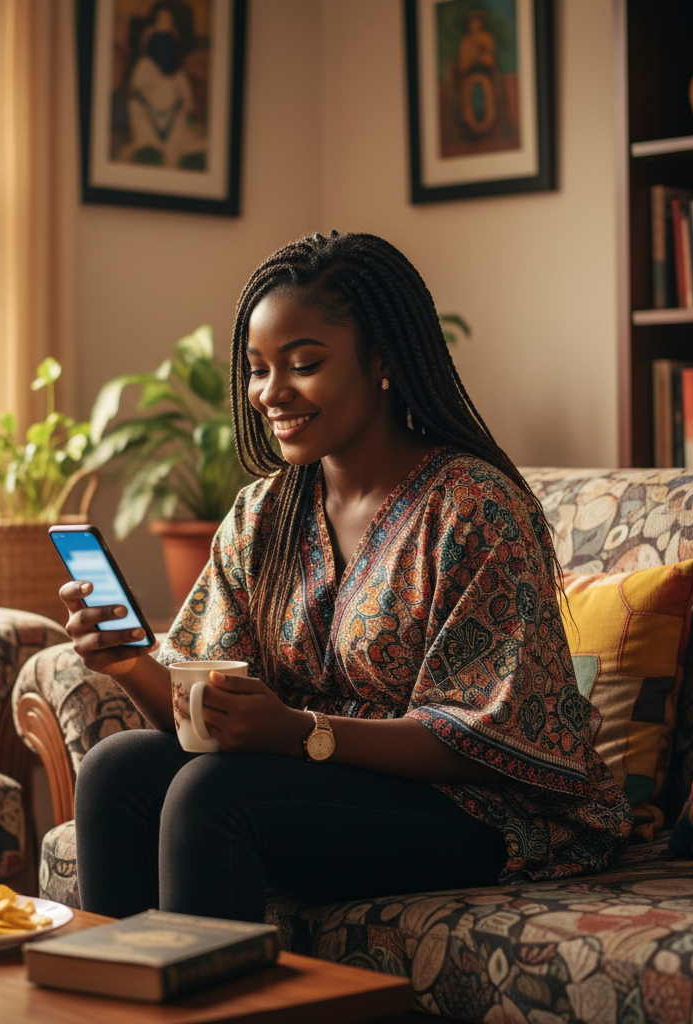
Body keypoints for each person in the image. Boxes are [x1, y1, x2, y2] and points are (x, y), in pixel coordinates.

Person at [62, 231, 633, 923]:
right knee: (114, 771)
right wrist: (128, 664)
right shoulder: (264, 514)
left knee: (213, 794)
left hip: (473, 810)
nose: (272, 393)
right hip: (316, 778)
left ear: (383, 361)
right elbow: (201, 722)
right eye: (257, 368)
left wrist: (301, 731)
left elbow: (487, 739)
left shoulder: (473, 508)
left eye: (303, 364)